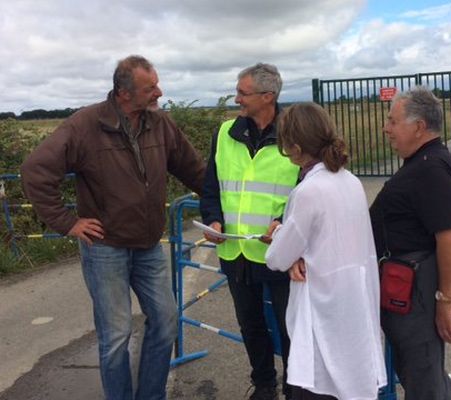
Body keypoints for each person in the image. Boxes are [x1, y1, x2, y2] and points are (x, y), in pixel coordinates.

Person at [20, 55, 206, 400]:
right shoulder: (84, 126)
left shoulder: (159, 123)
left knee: (165, 322)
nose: (159, 93)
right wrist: (67, 221)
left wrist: (219, 203)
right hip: (105, 248)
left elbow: (193, 169)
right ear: (124, 92)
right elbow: (35, 171)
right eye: (151, 88)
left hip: (148, 244)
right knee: (116, 335)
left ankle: (151, 396)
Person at [265, 102, 387, 400]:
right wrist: (300, 254)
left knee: (319, 386)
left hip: (323, 313)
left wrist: (278, 234)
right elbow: (331, 240)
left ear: (294, 147)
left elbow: (277, 258)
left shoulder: (307, 191)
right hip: (355, 308)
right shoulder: (352, 182)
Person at [199, 63, 299, 400]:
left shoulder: (296, 134)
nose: (236, 98)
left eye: (243, 93)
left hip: (280, 253)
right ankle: (265, 386)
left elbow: (308, 189)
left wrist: (285, 224)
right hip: (235, 251)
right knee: (251, 326)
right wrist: (212, 220)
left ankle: (294, 387)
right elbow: (211, 187)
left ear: (268, 96)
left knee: (290, 329)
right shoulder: (225, 134)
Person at [369, 87, 451, 400]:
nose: (386, 128)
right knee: (421, 373)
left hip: (420, 289)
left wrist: (445, 301)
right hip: (412, 286)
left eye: (393, 121)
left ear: (419, 126)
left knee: (422, 378)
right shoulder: (422, 161)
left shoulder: (430, 169)